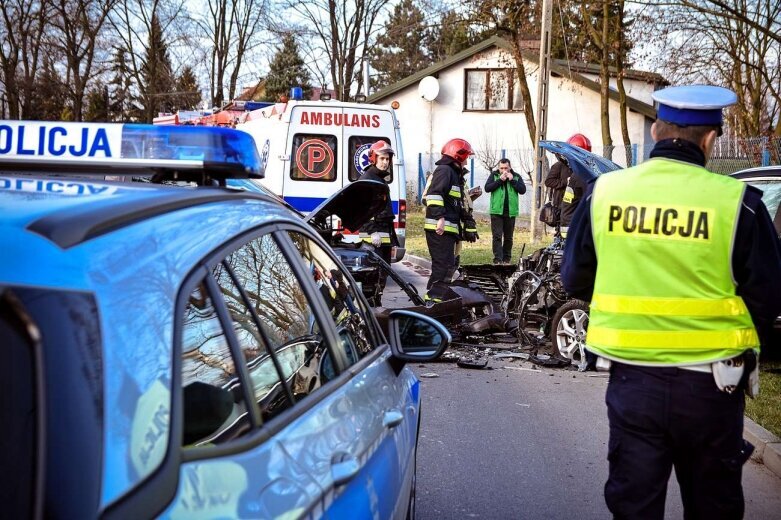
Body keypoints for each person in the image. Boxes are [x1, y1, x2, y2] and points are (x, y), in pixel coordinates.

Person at [561, 85, 781, 519]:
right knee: (713, 506)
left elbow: (575, 278)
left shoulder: (604, 192)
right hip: (714, 386)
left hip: (633, 383)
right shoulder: (739, 203)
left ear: (658, 130)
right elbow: (768, 293)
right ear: (710, 139)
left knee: (635, 506)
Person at [422, 138, 474, 302]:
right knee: (442, 267)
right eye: (466, 157)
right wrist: (440, 218)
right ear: (459, 156)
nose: (467, 161)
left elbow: (456, 203)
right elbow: (434, 195)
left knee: (447, 268)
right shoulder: (445, 171)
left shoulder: (454, 173)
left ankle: (437, 301)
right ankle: (432, 302)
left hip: (449, 229)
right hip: (440, 229)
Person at [358, 140, 399, 300]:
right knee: (372, 277)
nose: (385, 162)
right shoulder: (369, 179)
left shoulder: (380, 179)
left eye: (387, 159)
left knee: (382, 276)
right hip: (373, 238)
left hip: (383, 237)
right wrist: (371, 231)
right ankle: (371, 309)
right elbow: (362, 209)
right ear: (374, 158)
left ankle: (376, 305)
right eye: (382, 158)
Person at [544, 134, 590, 233]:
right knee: (561, 233)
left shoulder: (585, 168)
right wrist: (566, 182)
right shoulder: (559, 166)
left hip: (578, 205)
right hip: (561, 205)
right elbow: (548, 181)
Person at [484, 158, 526, 264]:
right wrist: (500, 180)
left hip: (510, 212)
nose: (504, 171)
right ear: (499, 168)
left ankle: (506, 259)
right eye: (501, 168)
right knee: (497, 236)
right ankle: (498, 259)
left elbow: (522, 190)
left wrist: (512, 181)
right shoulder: (494, 175)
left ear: (510, 167)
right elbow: (487, 188)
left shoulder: (516, 176)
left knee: (508, 237)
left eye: (506, 168)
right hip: (496, 211)